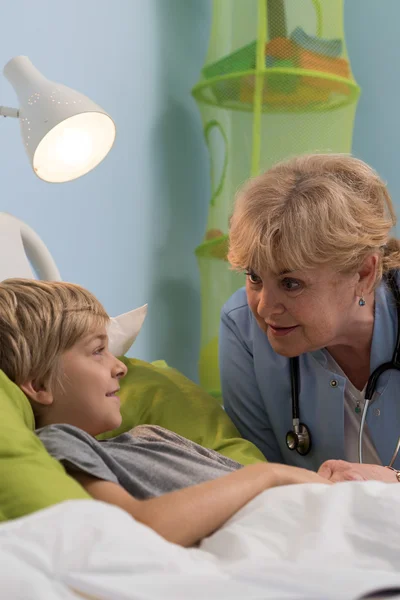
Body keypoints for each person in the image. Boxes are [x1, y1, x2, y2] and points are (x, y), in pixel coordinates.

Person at [0, 278, 328, 548]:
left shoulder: (142, 437)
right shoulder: (61, 445)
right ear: (40, 384)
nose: (120, 367)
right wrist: (269, 475)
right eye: (98, 351)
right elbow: (143, 527)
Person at [220, 153, 400, 483]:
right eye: (254, 277)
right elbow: (255, 480)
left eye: (291, 283)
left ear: (363, 271)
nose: (263, 307)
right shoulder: (243, 331)